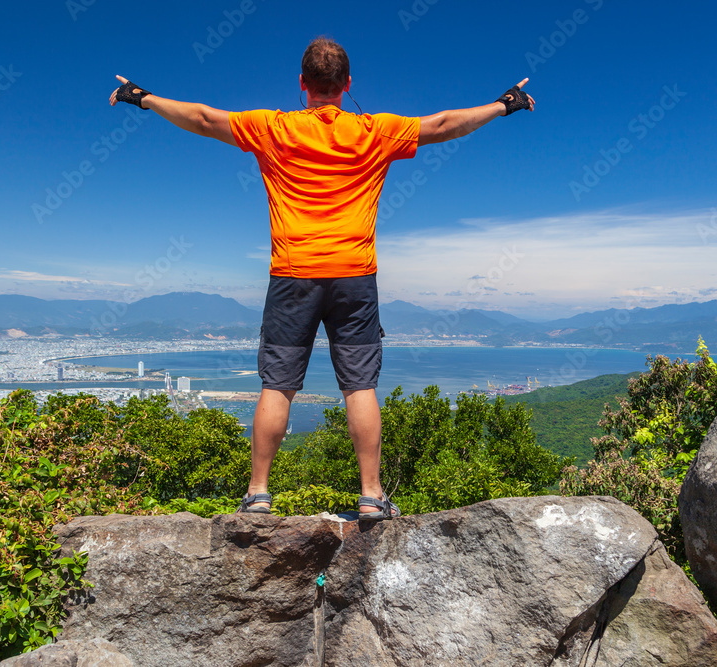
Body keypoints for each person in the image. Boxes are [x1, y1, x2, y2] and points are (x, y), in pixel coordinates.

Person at [110, 37, 534, 521]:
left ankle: (258, 494)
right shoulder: (376, 131)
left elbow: (205, 118)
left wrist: (143, 97)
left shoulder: (272, 127)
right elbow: (442, 125)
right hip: (355, 277)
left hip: (292, 276)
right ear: (348, 85)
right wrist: (504, 105)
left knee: (277, 386)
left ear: (302, 84)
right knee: (359, 387)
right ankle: (372, 495)